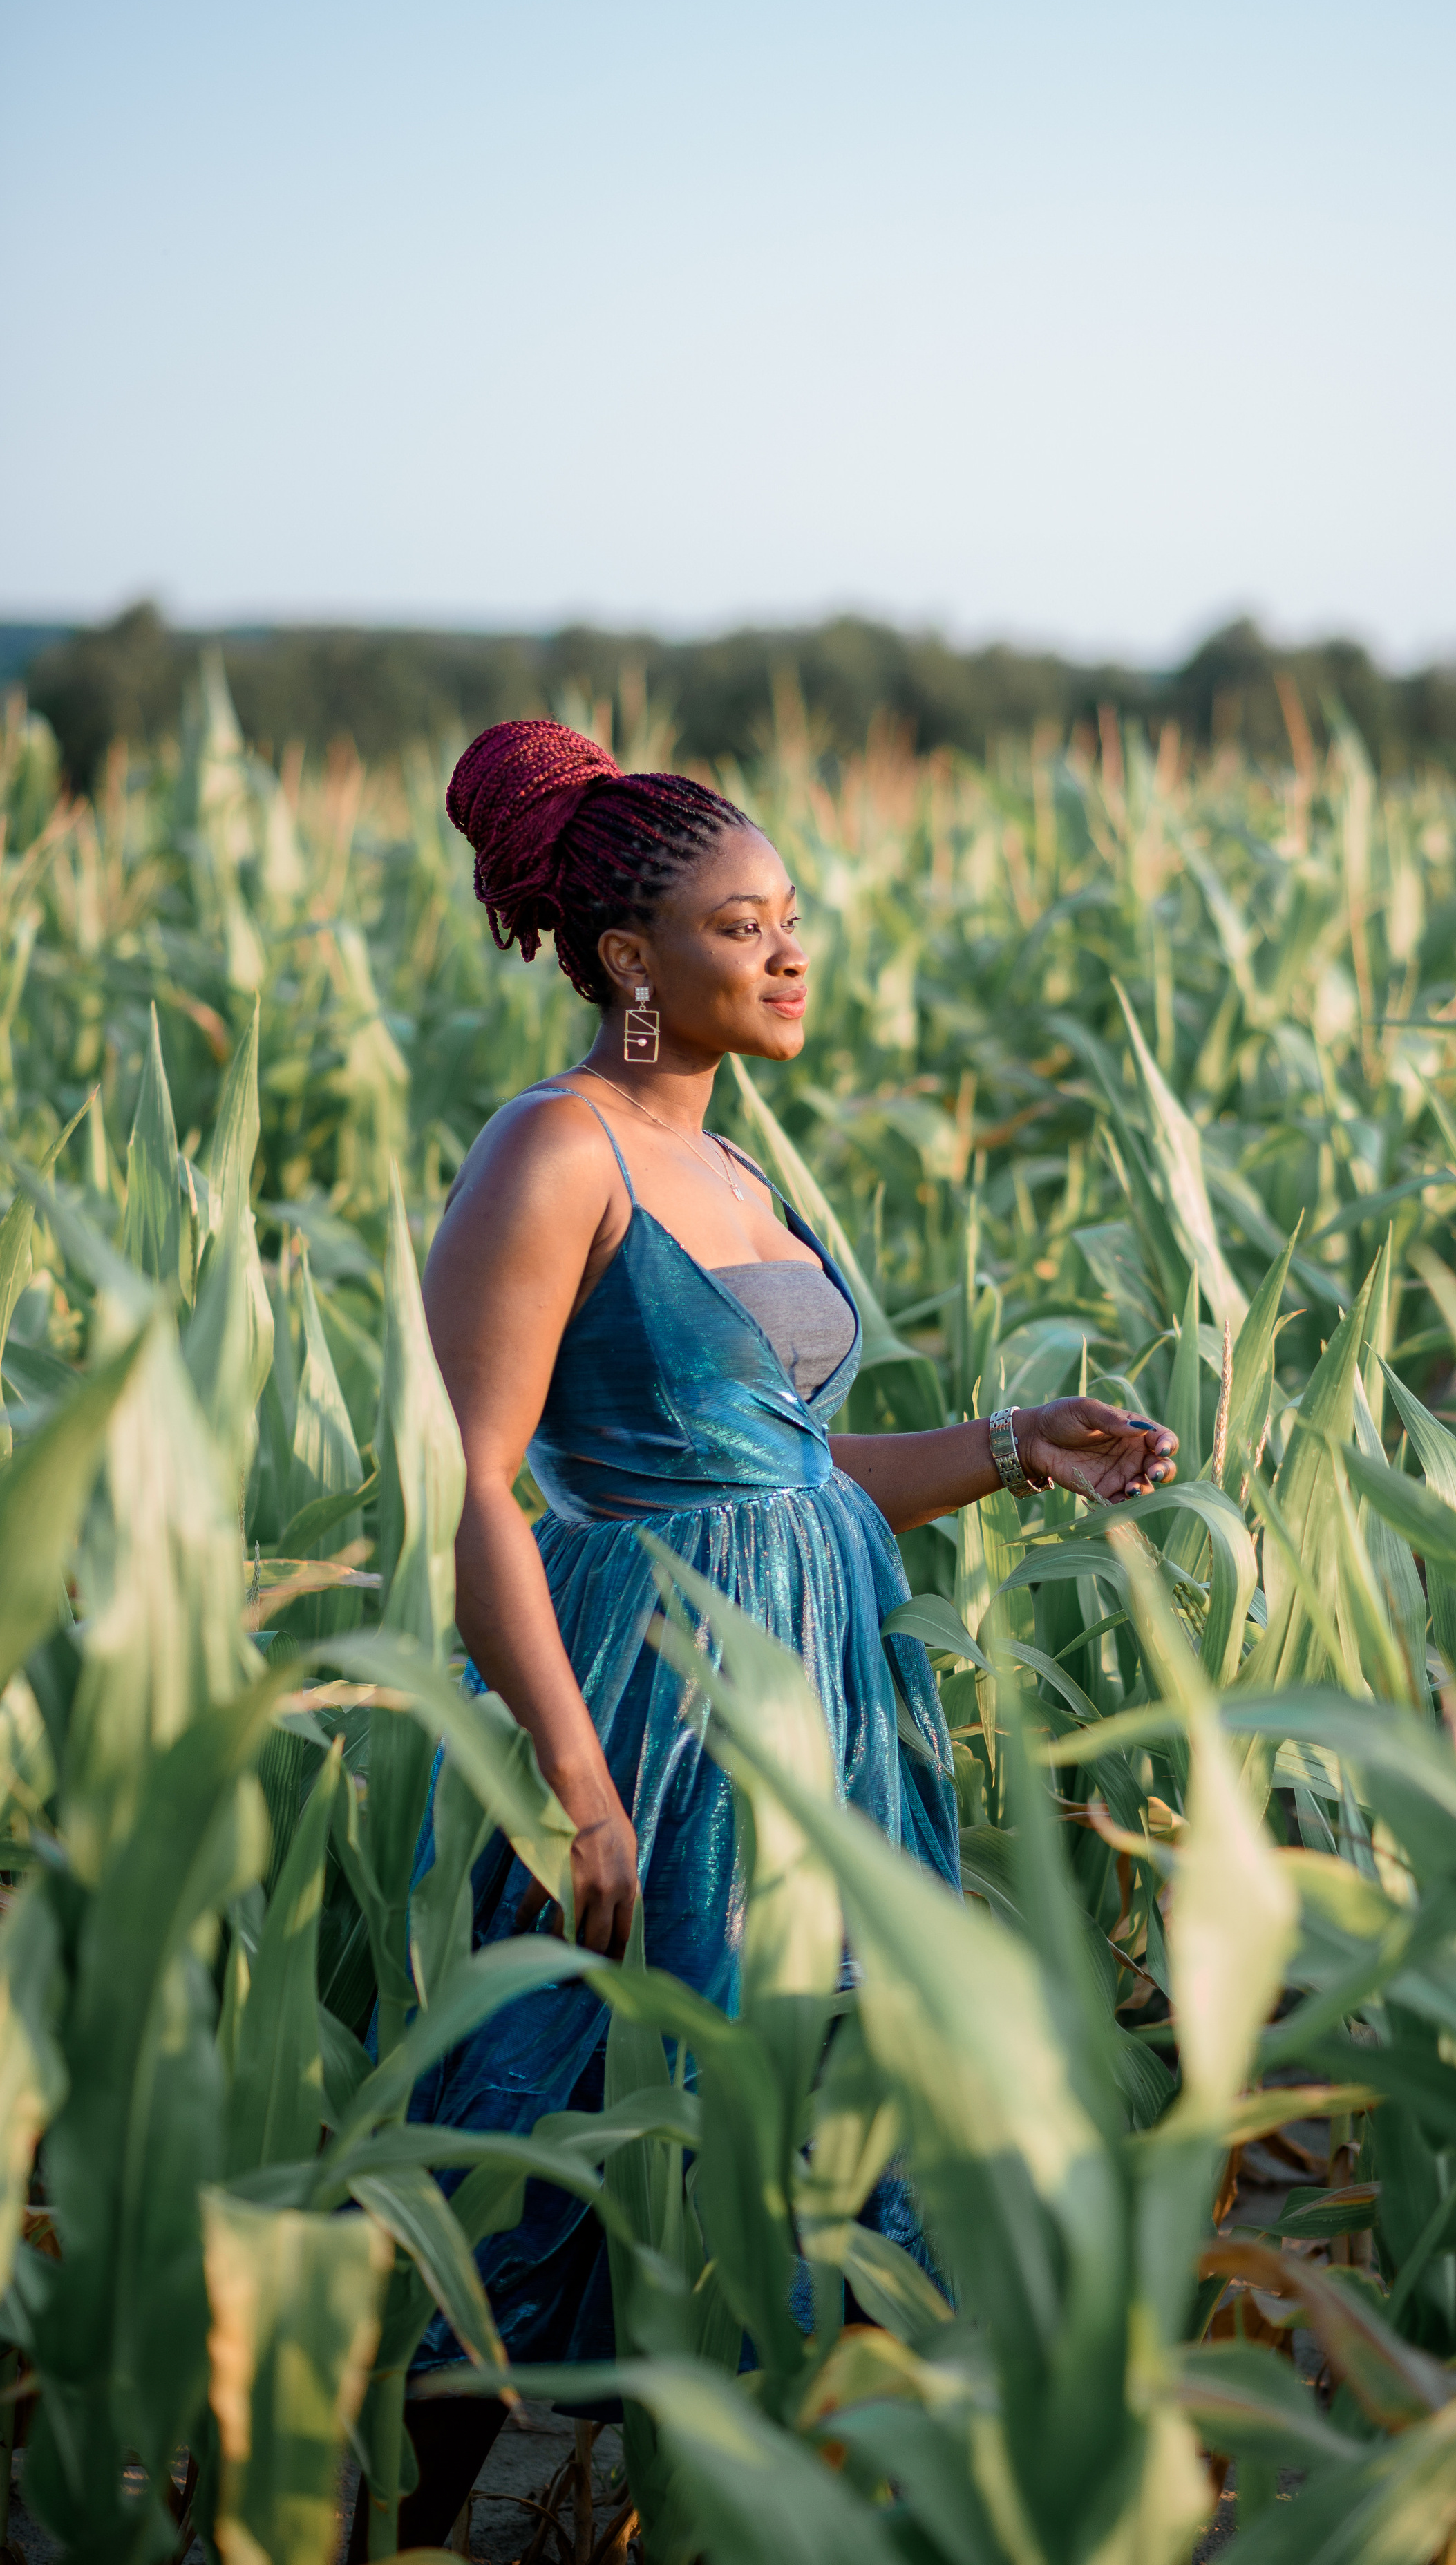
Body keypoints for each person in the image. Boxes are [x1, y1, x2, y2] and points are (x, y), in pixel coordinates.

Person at [352, 719, 1178, 2552]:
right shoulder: (551, 1151)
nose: (792, 952)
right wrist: (572, 1784)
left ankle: (711, 2482)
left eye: (793, 915)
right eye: (745, 924)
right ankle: (437, 2506)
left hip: (825, 1700)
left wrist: (1007, 1447)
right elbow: (483, 1491)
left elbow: (790, 1481)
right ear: (632, 961)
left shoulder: (731, 1169)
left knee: (807, 2102)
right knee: (587, 2118)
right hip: (656, 1701)